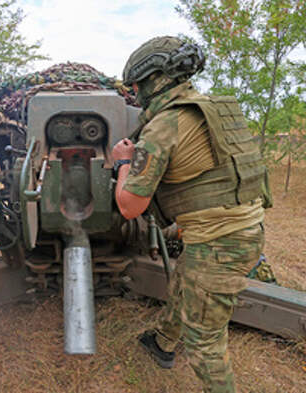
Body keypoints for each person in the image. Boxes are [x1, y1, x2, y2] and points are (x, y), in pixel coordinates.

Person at [112, 36, 273, 393]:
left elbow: (129, 205)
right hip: (239, 229)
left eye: (137, 85)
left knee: (205, 341)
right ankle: (162, 343)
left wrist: (123, 163)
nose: (135, 93)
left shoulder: (164, 125)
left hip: (220, 242)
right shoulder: (211, 108)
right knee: (183, 282)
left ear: (155, 80)